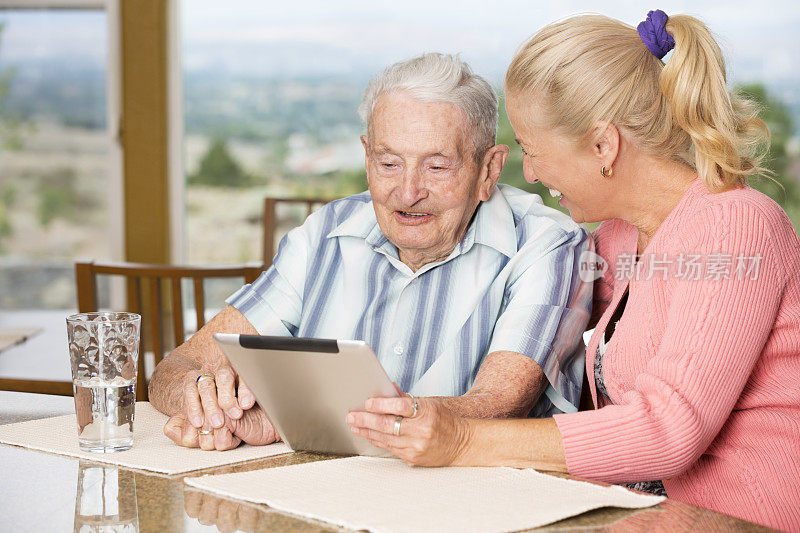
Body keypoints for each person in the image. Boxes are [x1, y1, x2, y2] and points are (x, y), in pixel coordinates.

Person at [347, 11, 800, 531]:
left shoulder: (736, 228)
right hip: (641, 515)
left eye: (534, 152)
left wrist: (463, 438)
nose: (533, 175)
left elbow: (668, 431)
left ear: (603, 146)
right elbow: (525, 284)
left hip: (741, 521)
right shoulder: (619, 240)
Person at [148, 53, 592, 454]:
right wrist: (201, 394)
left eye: (437, 166)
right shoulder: (324, 233)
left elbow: (495, 406)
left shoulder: (546, 244)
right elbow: (178, 366)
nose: (409, 191)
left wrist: (291, 420)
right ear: (366, 158)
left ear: (488, 169)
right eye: (388, 163)